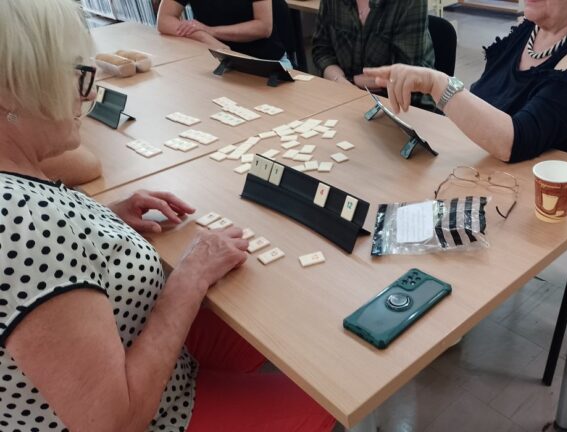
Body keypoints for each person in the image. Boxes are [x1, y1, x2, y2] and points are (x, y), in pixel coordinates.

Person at [0, 1, 335, 431]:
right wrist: (190, 277)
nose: (87, 93)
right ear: (11, 92)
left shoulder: (22, 194)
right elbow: (114, 422)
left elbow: (55, 260)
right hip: (159, 413)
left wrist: (106, 219)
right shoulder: (26, 222)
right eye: (72, 74)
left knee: (282, 323)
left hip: (132, 340)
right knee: (322, 394)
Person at [364, 0, 567, 164]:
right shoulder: (535, 28)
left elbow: (516, 141)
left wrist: (437, 84)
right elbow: (485, 102)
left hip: (551, 201)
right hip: (490, 169)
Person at [312, 0, 435, 103]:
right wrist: (339, 80)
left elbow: (407, 73)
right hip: (345, 97)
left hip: (403, 104)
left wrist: (351, 81)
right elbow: (322, 50)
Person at [157, 0, 290, 63]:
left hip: (262, 62)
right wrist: (205, 37)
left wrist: (211, 31)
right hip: (218, 59)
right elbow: (164, 20)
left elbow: (263, 27)